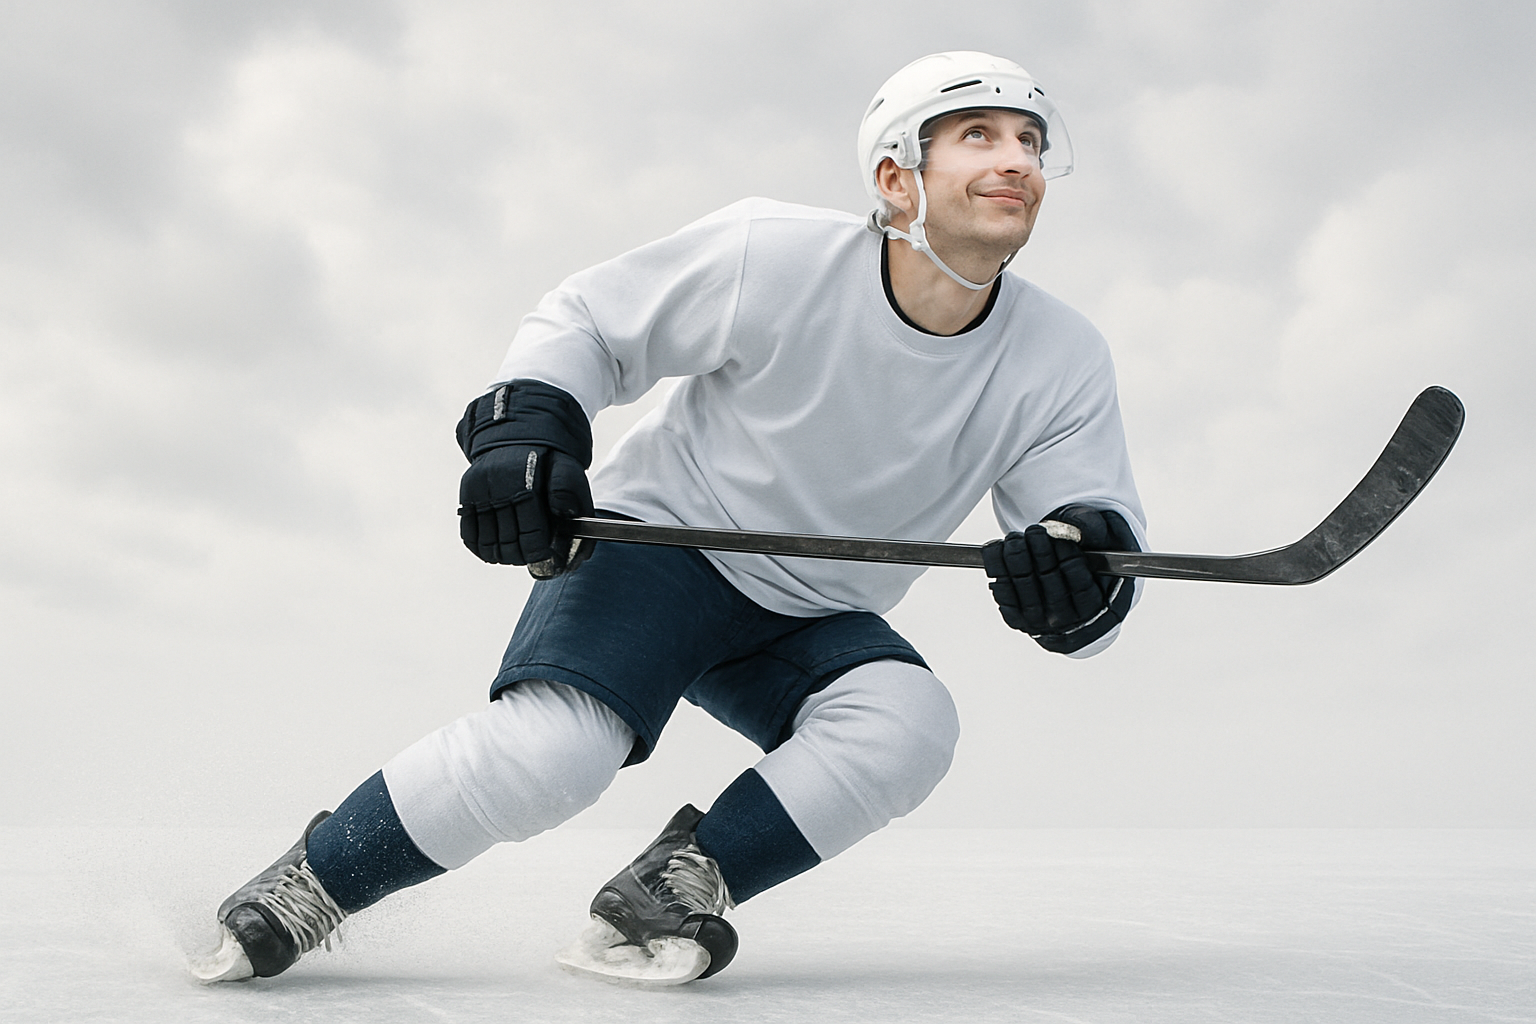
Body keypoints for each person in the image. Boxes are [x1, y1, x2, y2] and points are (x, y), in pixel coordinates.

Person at [191, 50, 1147, 988]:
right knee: (556, 755)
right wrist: (522, 434)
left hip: (811, 613)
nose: (1016, 159)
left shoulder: (1061, 357)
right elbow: (589, 324)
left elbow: (1087, 531)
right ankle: (316, 879)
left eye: (1029, 140)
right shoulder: (773, 253)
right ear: (897, 179)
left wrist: (1074, 579)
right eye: (977, 135)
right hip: (663, 551)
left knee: (908, 723)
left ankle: (672, 887)